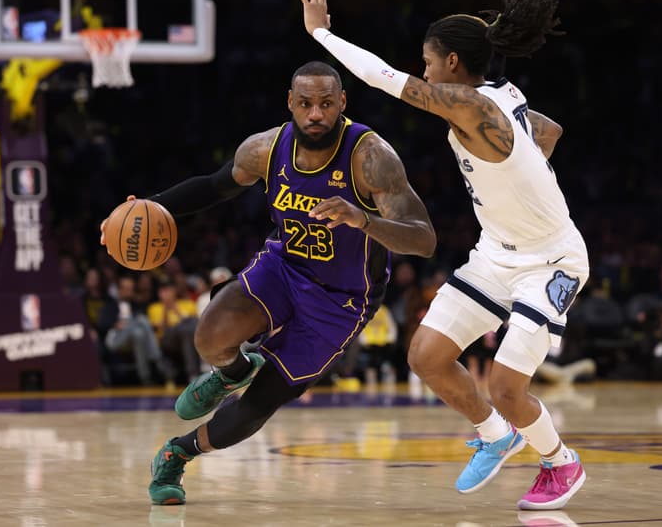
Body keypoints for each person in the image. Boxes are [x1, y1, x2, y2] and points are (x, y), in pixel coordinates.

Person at [298, 0, 589, 510]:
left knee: (506, 386)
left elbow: (382, 77)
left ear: (453, 62)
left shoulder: (471, 105)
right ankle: (496, 435)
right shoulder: (504, 96)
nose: (424, 72)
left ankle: (560, 461)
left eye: (428, 62)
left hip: (551, 262)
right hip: (497, 252)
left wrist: (321, 34)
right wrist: (524, 177)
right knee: (426, 355)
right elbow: (549, 131)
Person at [99, 61, 436, 505]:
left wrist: (363, 219)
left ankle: (177, 453)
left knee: (257, 406)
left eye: (326, 104)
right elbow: (214, 186)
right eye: (306, 103)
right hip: (284, 268)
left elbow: (424, 239)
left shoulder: (370, 158)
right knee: (209, 336)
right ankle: (234, 371)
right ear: (290, 103)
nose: (316, 114)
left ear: (342, 103)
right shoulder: (265, 149)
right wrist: (144, 207)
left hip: (342, 301)